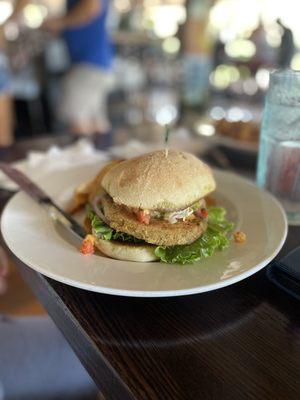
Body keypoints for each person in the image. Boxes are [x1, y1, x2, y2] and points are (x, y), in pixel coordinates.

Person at [45, 0, 114, 135]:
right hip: (97, 63)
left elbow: (91, 8)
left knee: (77, 124)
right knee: (96, 125)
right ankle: (109, 156)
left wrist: (59, 22)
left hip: (88, 63)